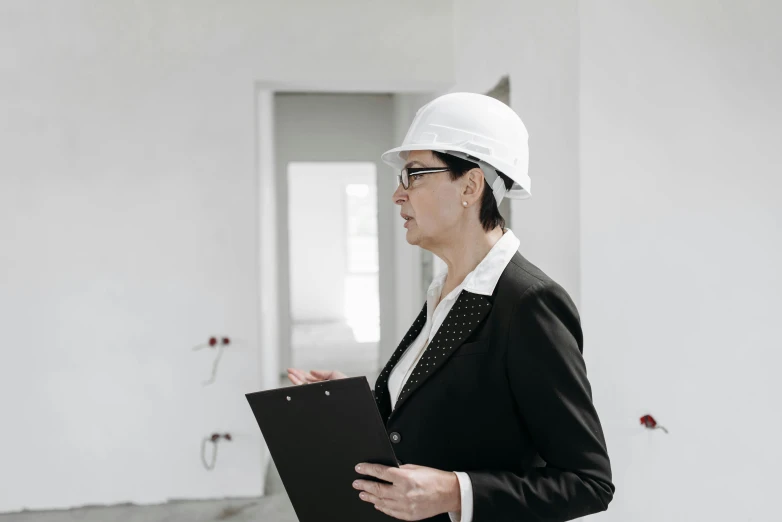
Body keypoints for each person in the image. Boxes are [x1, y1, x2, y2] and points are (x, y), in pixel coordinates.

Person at [287, 92, 613, 521]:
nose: (398, 196)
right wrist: (359, 402)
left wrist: (455, 493)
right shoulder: (446, 290)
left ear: (470, 186)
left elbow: (588, 483)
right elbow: (454, 407)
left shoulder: (529, 303)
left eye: (414, 175)